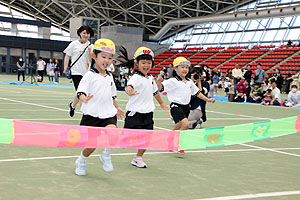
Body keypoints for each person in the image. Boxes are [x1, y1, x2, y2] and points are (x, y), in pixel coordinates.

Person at [74, 38, 125, 176]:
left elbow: (112, 95)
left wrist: (117, 107)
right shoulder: (89, 75)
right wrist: (83, 98)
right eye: (103, 56)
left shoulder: (109, 77)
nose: (106, 61)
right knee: (91, 146)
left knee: (113, 134)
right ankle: (81, 161)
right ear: (94, 56)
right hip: (91, 115)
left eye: (110, 58)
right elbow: (80, 92)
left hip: (108, 114)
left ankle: (106, 155)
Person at [117, 47, 169, 168]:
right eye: (143, 62)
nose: (146, 65)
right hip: (135, 113)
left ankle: (138, 157)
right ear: (137, 64)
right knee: (126, 140)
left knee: (147, 138)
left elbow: (155, 92)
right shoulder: (135, 77)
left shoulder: (151, 78)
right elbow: (129, 86)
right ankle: (109, 145)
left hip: (148, 113)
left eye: (149, 63)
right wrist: (129, 91)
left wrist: (161, 103)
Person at [157, 57, 215, 154]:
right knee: (186, 124)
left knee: (178, 125)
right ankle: (179, 144)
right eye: (182, 67)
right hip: (175, 106)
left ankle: (170, 138)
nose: (185, 69)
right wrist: (159, 82)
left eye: (186, 67)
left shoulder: (189, 82)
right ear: (175, 69)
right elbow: (161, 88)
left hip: (186, 107)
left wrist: (207, 99)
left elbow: (197, 93)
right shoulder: (172, 81)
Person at [63, 25, 94, 117]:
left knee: (80, 92)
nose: (86, 35)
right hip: (76, 72)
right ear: (80, 33)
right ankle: (85, 113)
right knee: (81, 92)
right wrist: (65, 68)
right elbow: (67, 56)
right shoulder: (73, 44)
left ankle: (72, 105)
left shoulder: (91, 46)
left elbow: (91, 60)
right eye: (84, 33)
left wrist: (89, 52)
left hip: (86, 73)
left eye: (88, 33)